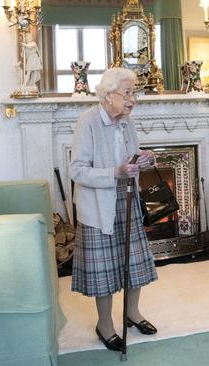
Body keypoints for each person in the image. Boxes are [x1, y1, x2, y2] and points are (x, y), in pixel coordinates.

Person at [70, 67, 158, 353]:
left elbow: (128, 158)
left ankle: (132, 314)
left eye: (135, 93)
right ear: (109, 95)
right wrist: (115, 173)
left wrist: (142, 159)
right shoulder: (88, 122)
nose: (133, 100)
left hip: (128, 198)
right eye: (128, 93)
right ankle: (105, 325)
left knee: (134, 263)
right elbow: (77, 171)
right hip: (98, 205)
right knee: (104, 271)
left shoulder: (127, 122)